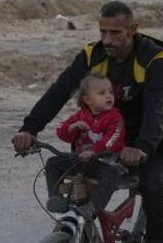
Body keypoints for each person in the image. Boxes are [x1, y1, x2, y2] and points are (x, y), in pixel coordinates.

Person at [13, 1, 163, 243]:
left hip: (151, 140)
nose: (107, 39)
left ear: (133, 29)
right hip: (103, 140)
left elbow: (156, 108)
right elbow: (60, 91)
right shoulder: (92, 55)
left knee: (152, 182)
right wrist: (30, 128)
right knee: (76, 202)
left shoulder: (153, 57)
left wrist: (141, 146)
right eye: (103, 31)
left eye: (115, 33)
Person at [44, 72, 126, 220]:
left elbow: (113, 139)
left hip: (104, 163)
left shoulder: (115, 117)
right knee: (52, 163)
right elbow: (63, 135)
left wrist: (94, 151)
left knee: (112, 174)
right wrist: (71, 128)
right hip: (81, 161)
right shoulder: (81, 115)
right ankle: (56, 198)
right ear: (87, 100)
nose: (109, 96)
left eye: (110, 92)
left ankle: (93, 207)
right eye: (102, 93)